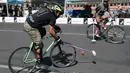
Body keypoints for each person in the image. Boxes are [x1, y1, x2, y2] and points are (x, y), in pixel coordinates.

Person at [24, 3, 64, 69]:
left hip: (30, 21)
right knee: (39, 44)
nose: (59, 15)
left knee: (43, 31)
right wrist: (58, 39)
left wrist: (54, 26)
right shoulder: (53, 17)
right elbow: (51, 32)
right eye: (60, 13)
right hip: (31, 26)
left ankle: (36, 47)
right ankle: (38, 63)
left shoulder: (48, 10)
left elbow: (45, 19)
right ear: (56, 11)